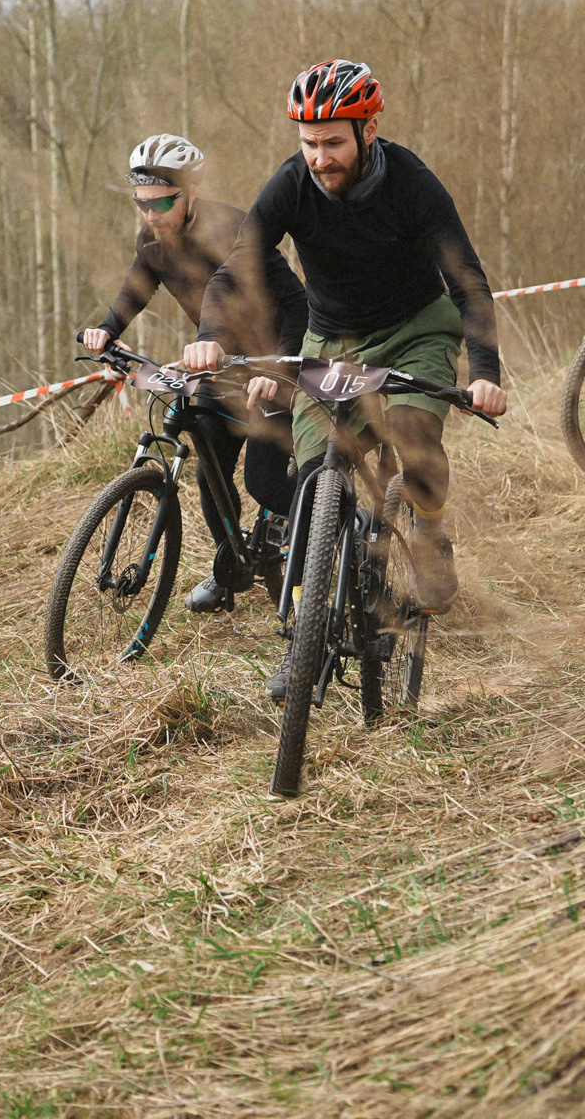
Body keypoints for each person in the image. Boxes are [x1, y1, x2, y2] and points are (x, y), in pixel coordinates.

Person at [182, 60, 507, 699]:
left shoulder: (413, 185)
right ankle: (304, 637)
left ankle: (432, 531)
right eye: (309, 142)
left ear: (369, 129)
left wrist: (486, 374)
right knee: (311, 481)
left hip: (415, 328)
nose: (321, 157)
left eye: (334, 141)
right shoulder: (289, 187)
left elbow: (467, 281)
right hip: (330, 341)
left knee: (414, 435)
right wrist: (208, 339)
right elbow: (234, 272)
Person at [78, 134, 308, 613]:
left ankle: (332, 538)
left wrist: (282, 370)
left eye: (161, 201)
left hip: (271, 365)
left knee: (265, 482)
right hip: (217, 369)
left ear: (191, 192)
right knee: (209, 470)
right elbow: (135, 289)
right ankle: (230, 567)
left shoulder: (235, 230)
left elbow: (297, 302)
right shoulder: (152, 240)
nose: (150, 214)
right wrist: (106, 329)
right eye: (141, 203)